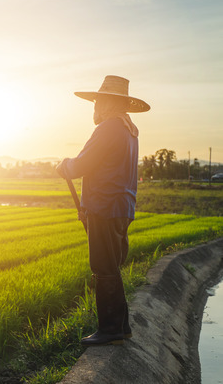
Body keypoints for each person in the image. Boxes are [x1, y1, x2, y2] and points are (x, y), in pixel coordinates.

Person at [55, 75, 150, 346]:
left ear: (108, 103)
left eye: (97, 102)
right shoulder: (130, 130)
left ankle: (110, 330)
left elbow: (81, 165)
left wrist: (64, 166)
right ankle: (122, 326)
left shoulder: (109, 128)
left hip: (105, 206)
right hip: (122, 207)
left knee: (103, 267)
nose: (94, 108)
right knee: (112, 266)